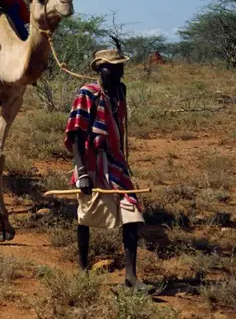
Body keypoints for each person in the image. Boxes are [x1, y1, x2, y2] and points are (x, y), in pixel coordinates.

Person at [64, 48, 153, 293]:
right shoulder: (87, 94)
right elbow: (75, 134)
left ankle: (131, 277)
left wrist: (122, 158)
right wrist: (81, 172)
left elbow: (120, 128)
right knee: (85, 215)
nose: (117, 71)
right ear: (99, 68)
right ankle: (82, 269)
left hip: (115, 161)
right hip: (90, 161)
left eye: (120, 67)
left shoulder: (120, 92)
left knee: (132, 214)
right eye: (112, 67)